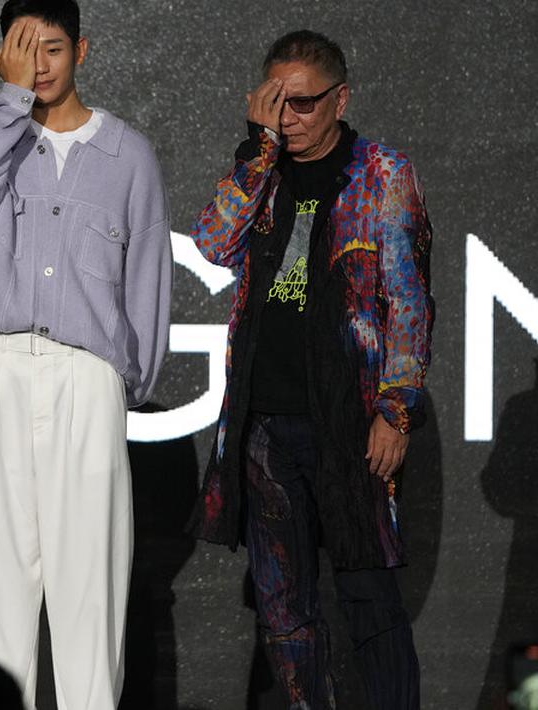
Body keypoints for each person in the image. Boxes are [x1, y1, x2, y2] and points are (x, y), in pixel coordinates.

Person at [0, 0, 172, 706]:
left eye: (53, 49)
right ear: (2, 55)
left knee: (86, 587)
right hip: (1, 367)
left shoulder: (127, 155)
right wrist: (6, 98)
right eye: (22, 48)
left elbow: (148, 286)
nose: (39, 65)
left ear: (81, 52)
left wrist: (116, 383)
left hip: (87, 376)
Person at [186, 29, 433, 710]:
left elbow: (408, 301)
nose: (287, 119)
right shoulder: (262, 170)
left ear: (339, 98)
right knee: (281, 609)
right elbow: (210, 241)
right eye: (274, 104)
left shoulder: (381, 172)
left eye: (301, 105)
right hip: (264, 424)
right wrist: (258, 151)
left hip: (350, 419)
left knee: (367, 596)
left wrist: (394, 408)